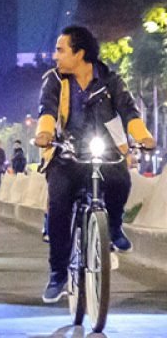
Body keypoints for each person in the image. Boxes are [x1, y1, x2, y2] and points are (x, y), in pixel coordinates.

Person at [35, 25, 154, 303]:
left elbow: (129, 111)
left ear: (80, 53)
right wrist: (44, 134)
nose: (55, 56)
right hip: (66, 154)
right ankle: (58, 273)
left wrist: (144, 137)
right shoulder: (54, 80)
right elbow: (47, 110)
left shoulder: (111, 81)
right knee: (59, 205)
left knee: (121, 179)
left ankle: (112, 226)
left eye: (61, 50)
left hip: (104, 151)